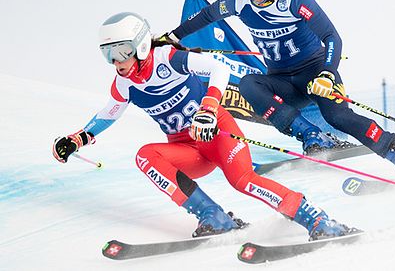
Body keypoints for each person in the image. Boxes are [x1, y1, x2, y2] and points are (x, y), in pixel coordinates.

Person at [53, 12, 357, 240]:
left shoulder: (167, 58)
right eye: (108, 54)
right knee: (146, 156)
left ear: (142, 45)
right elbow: (108, 114)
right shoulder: (124, 84)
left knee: (243, 180)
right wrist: (78, 139)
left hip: (217, 132)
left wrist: (209, 109)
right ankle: (213, 216)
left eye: (121, 51)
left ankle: (316, 220)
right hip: (188, 150)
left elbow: (218, 69)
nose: (116, 61)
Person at [159, 0, 395, 176]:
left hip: (315, 75)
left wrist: (327, 73)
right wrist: (173, 36)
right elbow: (207, 15)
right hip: (283, 82)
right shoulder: (237, 1)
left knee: (338, 116)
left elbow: (331, 37)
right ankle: (312, 136)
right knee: (249, 84)